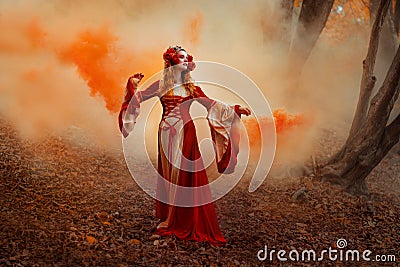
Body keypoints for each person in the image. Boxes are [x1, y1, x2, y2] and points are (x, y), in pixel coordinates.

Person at [118, 46, 251, 246]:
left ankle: (176, 219)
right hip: (165, 133)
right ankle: (170, 216)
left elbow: (211, 105)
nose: (184, 60)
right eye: (180, 57)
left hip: (185, 133)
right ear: (171, 61)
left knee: (181, 174)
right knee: (169, 173)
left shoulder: (192, 88)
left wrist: (235, 109)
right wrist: (132, 85)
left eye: (186, 58)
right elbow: (139, 98)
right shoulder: (161, 85)